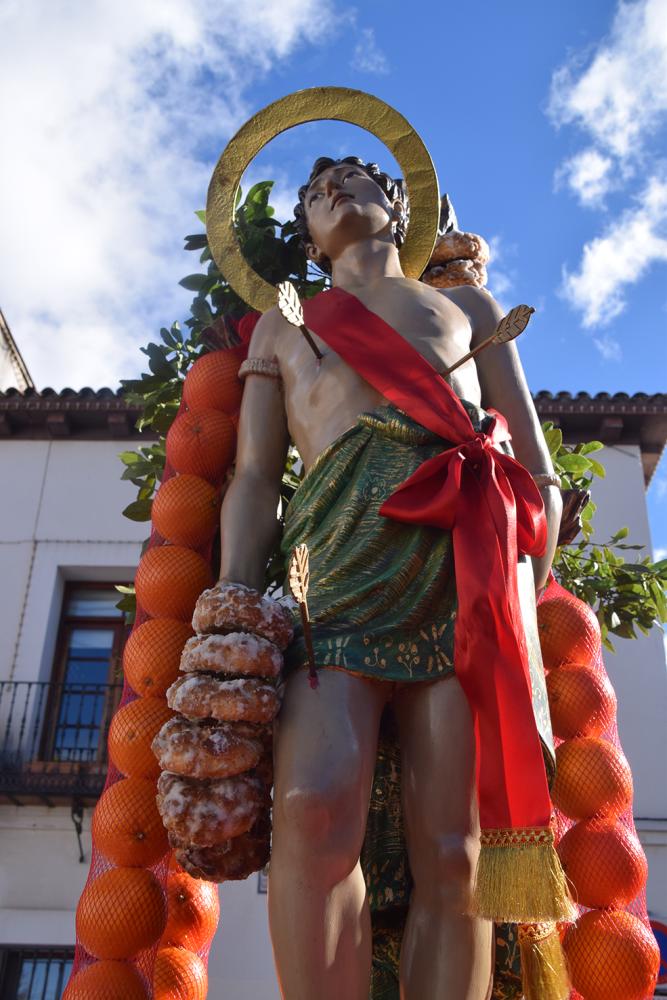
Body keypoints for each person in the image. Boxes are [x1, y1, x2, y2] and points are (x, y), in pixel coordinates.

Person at [216, 156, 562, 1000]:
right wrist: (231, 600)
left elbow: (536, 470)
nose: (330, 191)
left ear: (397, 204)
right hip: (329, 576)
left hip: (461, 576)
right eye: (312, 192)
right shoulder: (281, 327)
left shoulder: (470, 310)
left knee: (455, 849)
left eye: (350, 178)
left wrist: (522, 585)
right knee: (310, 807)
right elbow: (255, 478)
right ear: (306, 235)